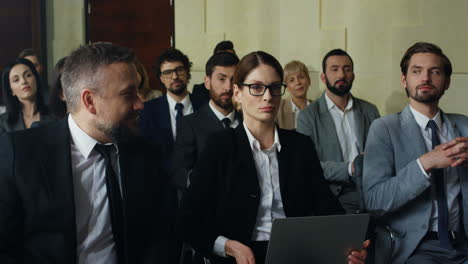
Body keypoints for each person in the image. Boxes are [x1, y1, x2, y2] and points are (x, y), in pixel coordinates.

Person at [181, 51, 368, 264]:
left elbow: (327, 208)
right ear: (237, 93)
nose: (268, 96)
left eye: (274, 88)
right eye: (256, 87)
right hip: (239, 256)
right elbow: (188, 221)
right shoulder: (220, 146)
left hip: (296, 254)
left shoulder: (300, 146)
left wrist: (350, 245)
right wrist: (228, 246)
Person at [0, 42, 177, 263]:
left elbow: (161, 235)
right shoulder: (21, 154)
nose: (140, 105)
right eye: (128, 94)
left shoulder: (146, 153)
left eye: (139, 92)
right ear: (89, 101)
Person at [363, 42, 468, 264]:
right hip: (415, 248)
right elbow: (375, 200)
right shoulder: (384, 129)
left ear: (447, 82)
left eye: (435, 72)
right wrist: (424, 164)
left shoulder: (465, 126)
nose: (425, 78)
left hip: (462, 242)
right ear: (404, 80)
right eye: (416, 71)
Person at [297, 49, 380, 213]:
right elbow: (308, 166)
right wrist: (351, 168)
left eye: (347, 69)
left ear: (353, 76)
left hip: (370, 189)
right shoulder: (308, 116)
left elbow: (382, 154)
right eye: (334, 69)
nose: (341, 75)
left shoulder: (370, 110)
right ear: (323, 77)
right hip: (332, 194)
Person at [172, 51, 241, 193]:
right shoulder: (190, 124)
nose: (228, 87)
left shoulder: (249, 121)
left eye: (233, 80)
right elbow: (180, 172)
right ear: (207, 82)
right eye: (221, 79)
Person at [140, 48, 203, 171]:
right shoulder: (148, 111)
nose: (174, 76)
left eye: (179, 70)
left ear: (187, 72)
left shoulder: (204, 106)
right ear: (161, 78)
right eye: (168, 72)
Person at [0, 58, 53, 133]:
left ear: (36, 79)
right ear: (11, 91)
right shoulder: (3, 123)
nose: (23, 81)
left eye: (28, 75)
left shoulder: (54, 114)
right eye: (16, 80)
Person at [276, 60, 312, 130]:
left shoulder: (318, 107)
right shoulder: (278, 109)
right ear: (287, 87)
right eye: (291, 80)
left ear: (309, 80)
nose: (298, 82)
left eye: (301, 77)